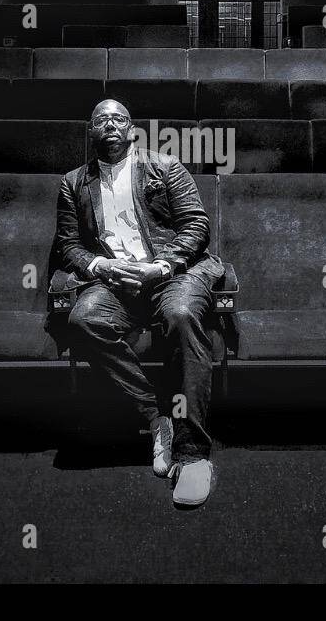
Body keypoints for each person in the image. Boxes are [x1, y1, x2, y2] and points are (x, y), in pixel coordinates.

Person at [54, 99, 223, 507]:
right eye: (100, 119)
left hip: (174, 272)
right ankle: (157, 416)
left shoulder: (165, 166)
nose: (110, 123)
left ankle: (193, 455)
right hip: (117, 281)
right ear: (90, 130)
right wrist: (100, 265)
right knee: (84, 319)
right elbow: (69, 244)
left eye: (118, 118)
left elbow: (196, 224)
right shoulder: (74, 181)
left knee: (181, 315)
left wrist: (161, 266)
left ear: (131, 129)